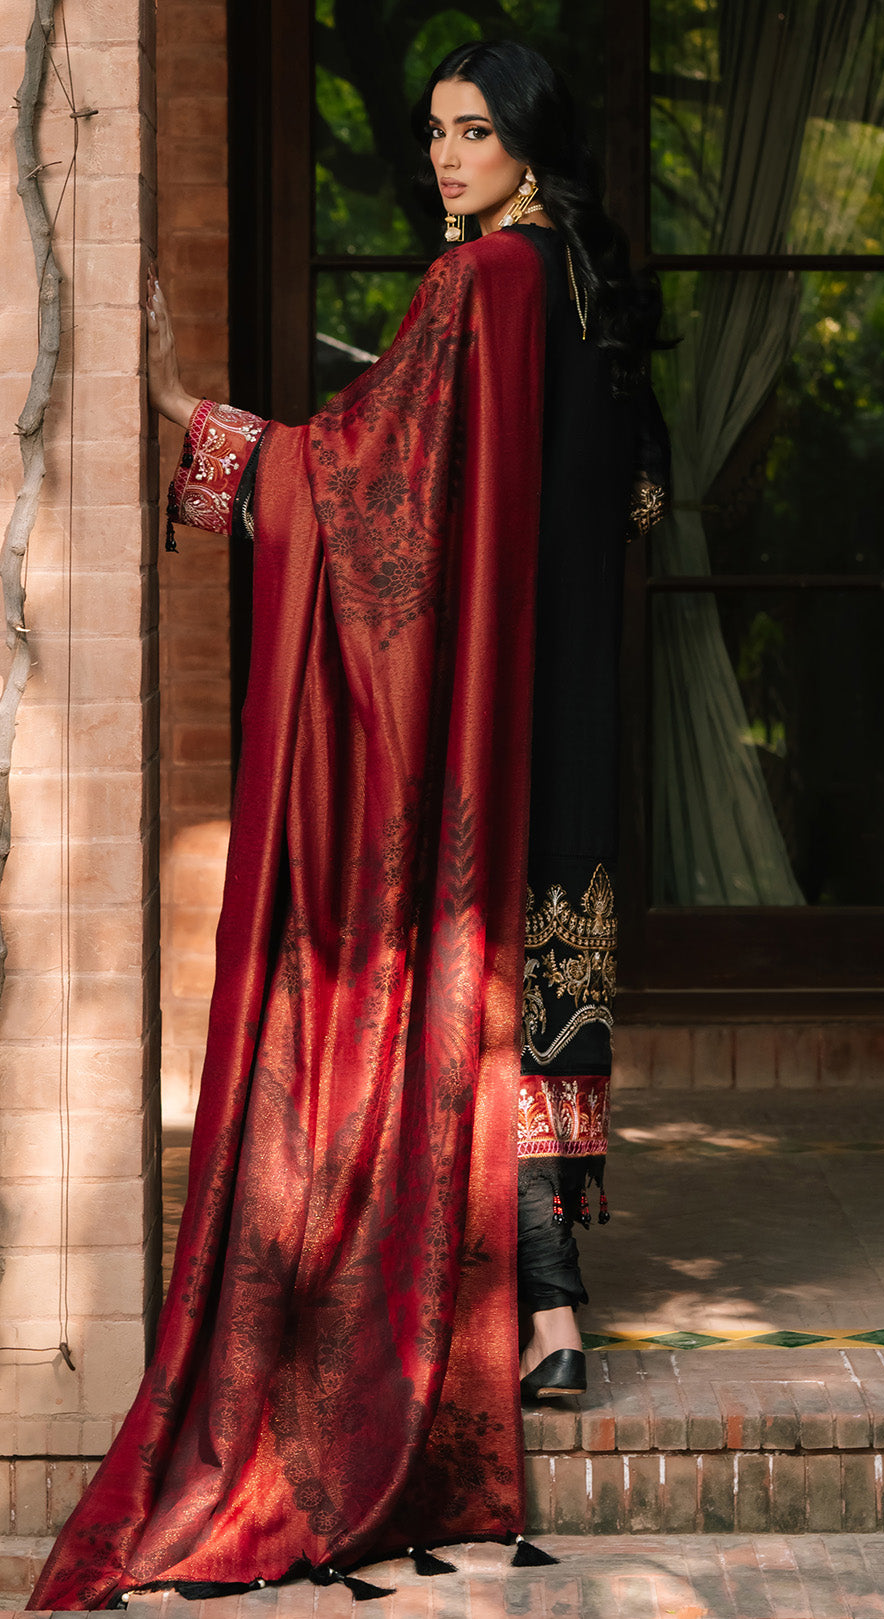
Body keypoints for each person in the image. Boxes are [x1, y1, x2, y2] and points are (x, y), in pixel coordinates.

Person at [30, 38, 668, 1611]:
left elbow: (368, 484)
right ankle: (555, 1315)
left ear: (529, 143)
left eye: (474, 131)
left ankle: (538, 1313)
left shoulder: (482, 284)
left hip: (490, 703)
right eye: (436, 131)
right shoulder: (592, 290)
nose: (445, 157)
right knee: (547, 971)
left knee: (480, 968)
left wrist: (196, 421)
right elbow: (633, 494)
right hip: (575, 688)